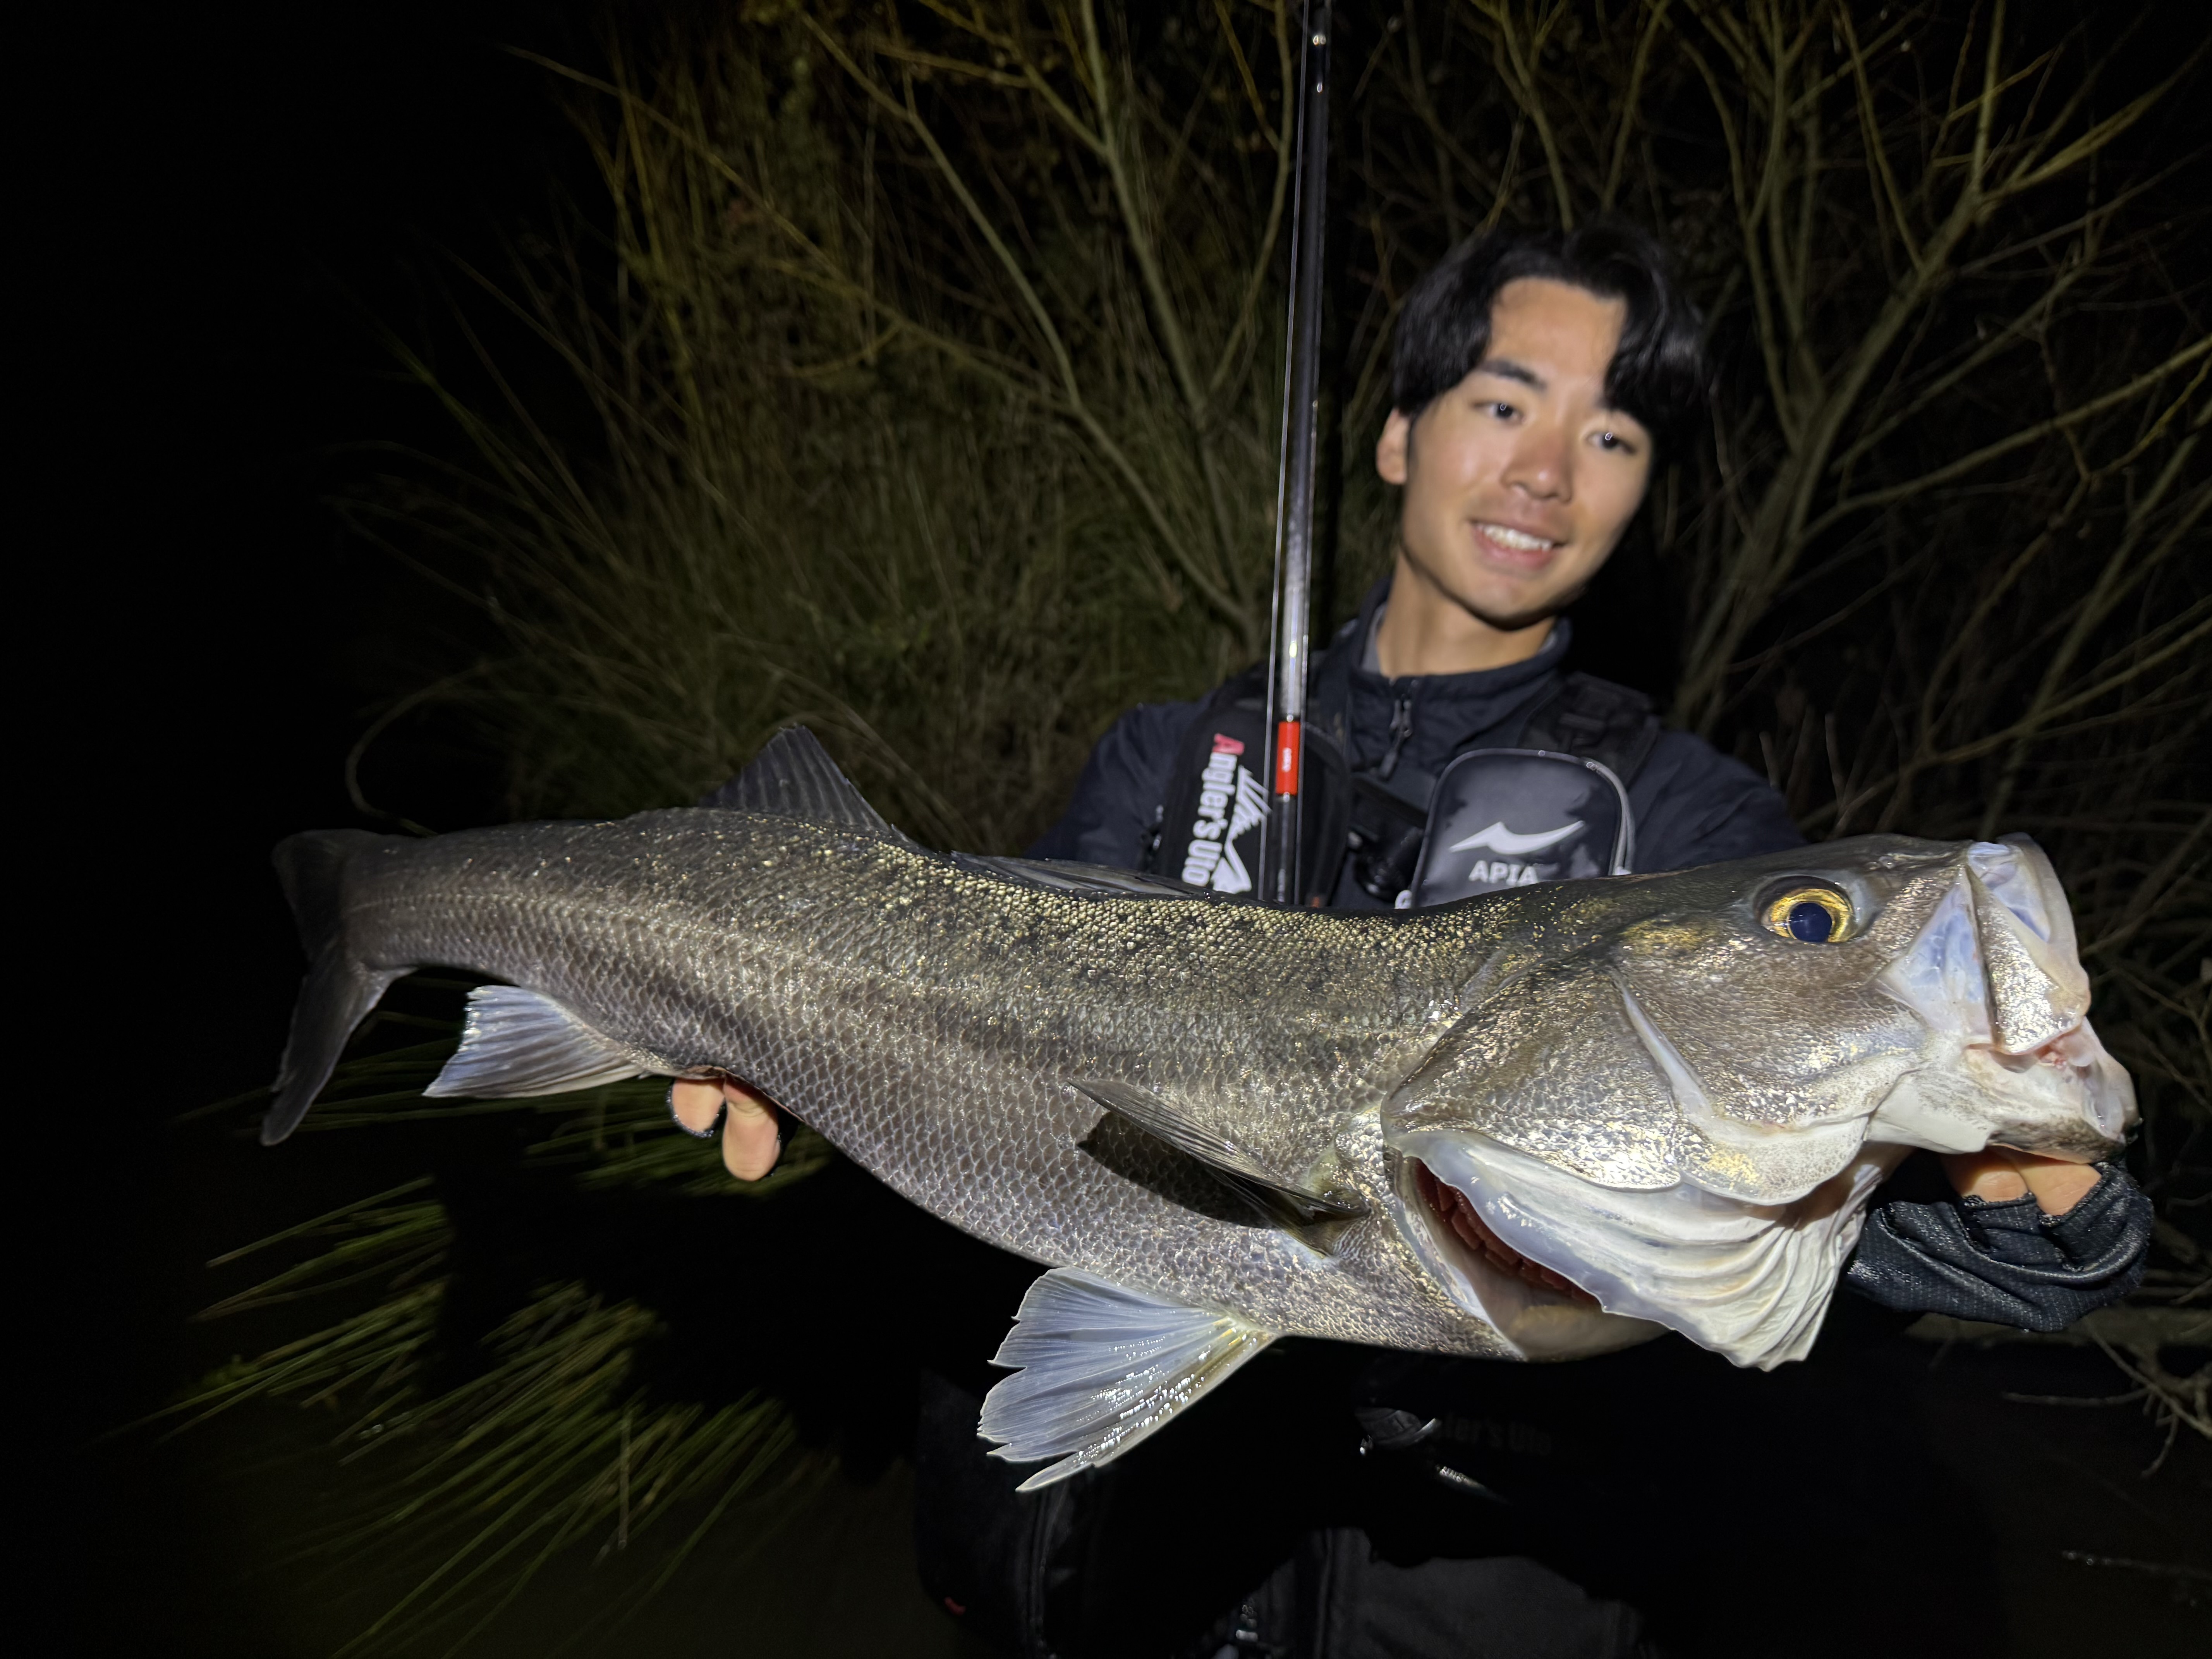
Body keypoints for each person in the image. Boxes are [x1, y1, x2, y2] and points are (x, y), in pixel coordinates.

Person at [684, 222, 2152, 1656]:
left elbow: (1804, 1175)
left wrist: (1976, 1218)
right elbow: (996, 1067)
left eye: (1613, 435)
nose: (1547, 471)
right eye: (1505, 404)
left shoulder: (1693, 826)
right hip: (1131, 1591)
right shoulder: (1168, 759)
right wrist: (789, 1019)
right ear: (1398, 436)